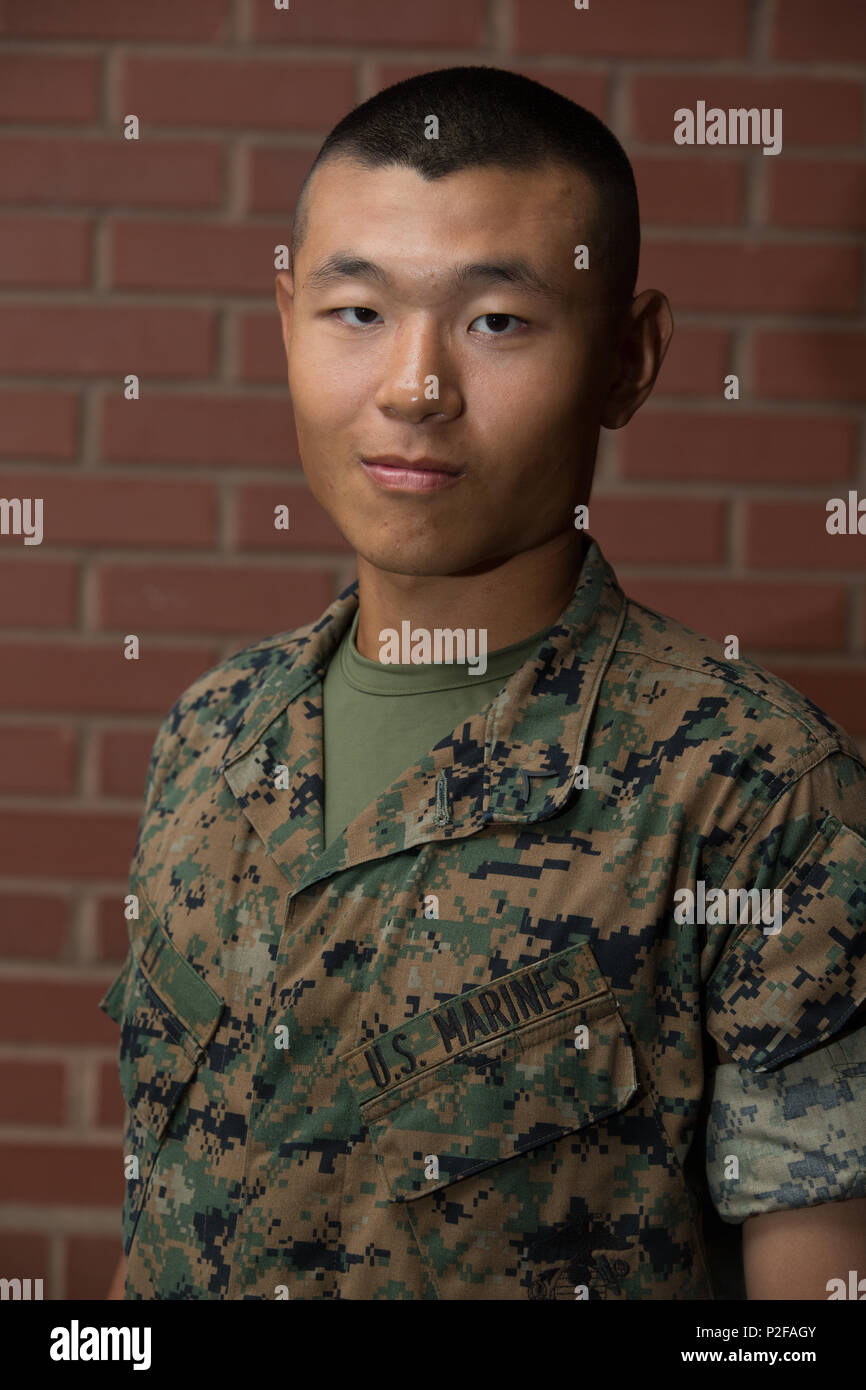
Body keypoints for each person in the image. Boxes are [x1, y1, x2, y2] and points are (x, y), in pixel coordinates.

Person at [102, 66, 866, 1301]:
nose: (413, 387)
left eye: (495, 322)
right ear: (285, 314)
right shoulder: (211, 733)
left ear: (628, 357)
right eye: (355, 311)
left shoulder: (755, 792)